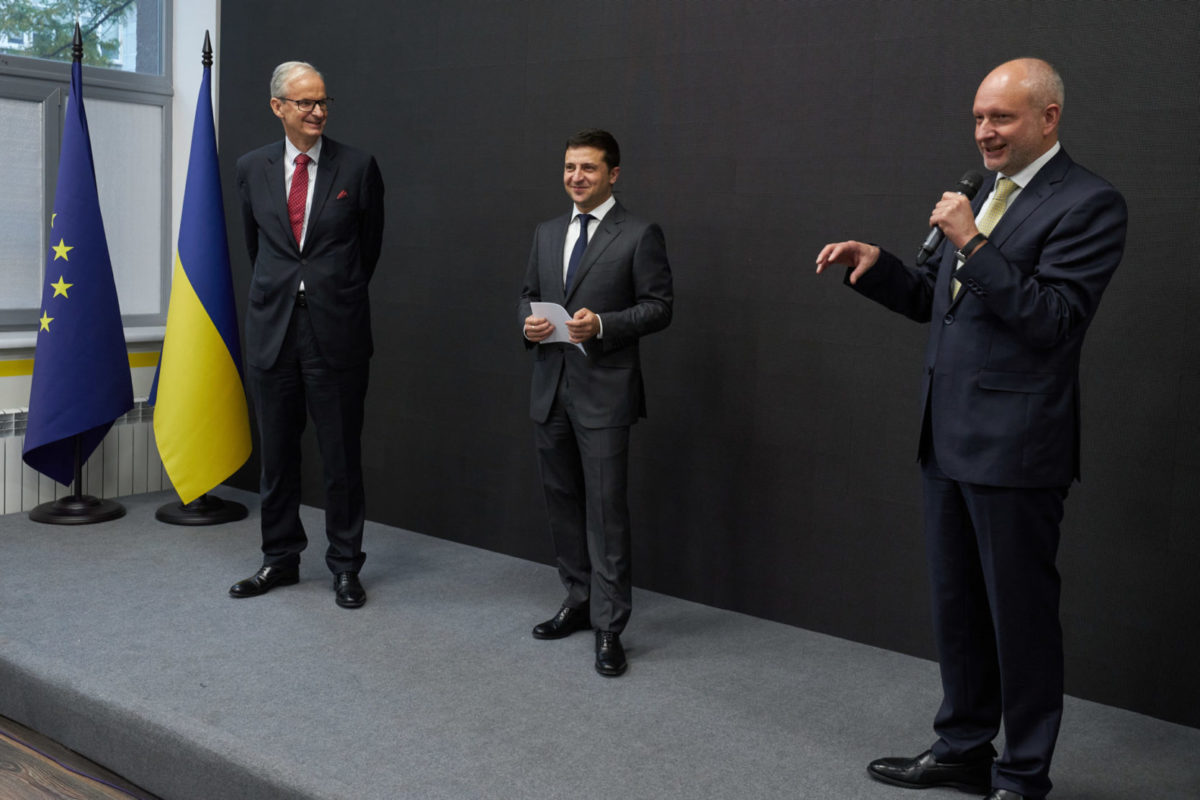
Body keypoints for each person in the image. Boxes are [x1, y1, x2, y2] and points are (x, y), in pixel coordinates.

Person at [815, 58, 1126, 799]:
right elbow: (942, 301)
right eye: (979, 117)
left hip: (1017, 449)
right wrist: (878, 267)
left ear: (1048, 118)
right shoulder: (984, 191)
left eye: (1002, 117)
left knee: (1020, 619)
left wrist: (974, 243)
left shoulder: (1090, 203)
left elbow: (1051, 321)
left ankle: (1022, 776)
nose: (985, 131)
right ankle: (962, 748)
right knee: (957, 608)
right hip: (946, 437)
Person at [519, 129, 673, 677]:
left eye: (587, 168)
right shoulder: (546, 231)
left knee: (606, 512)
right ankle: (579, 599)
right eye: (569, 167)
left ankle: (610, 626)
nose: (576, 177)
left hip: (605, 393)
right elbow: (527, 296)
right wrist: (529, 325)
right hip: (551, 389)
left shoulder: (639, 233)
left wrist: (603, 325)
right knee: (562, 503)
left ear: (613, 174)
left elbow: (660, 306)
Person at [230, 61, 384, 609]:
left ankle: (345, 566)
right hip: (273, 330)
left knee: (340, 458)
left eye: (323, 102)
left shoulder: (358, 167)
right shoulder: (252, 167)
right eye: (305, 103)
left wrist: (326, 291)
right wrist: (288, 290)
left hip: (335, 331)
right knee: (277, 457)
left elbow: (368, 250)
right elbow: (257, 248)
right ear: (278, 107)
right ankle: (279, 559)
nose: (317, 111)